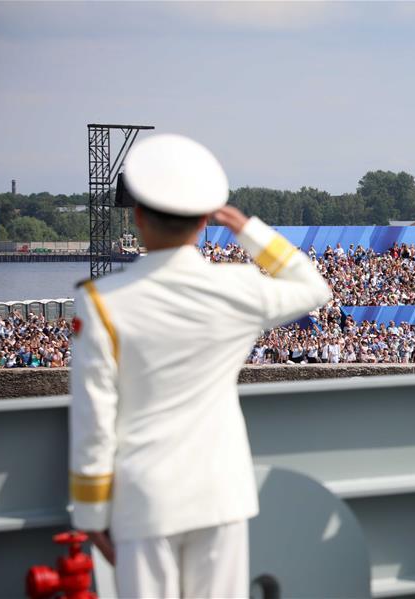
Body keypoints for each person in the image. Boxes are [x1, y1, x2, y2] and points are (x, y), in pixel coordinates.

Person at [69, 134, 331, 598]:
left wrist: (91, 514)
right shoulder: (239, 287)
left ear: (138, 217)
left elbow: (94, 421)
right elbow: (313, 288)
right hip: (220, 491)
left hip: (145, 498)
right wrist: (247, 230)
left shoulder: (101, 303)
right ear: (206, 220)